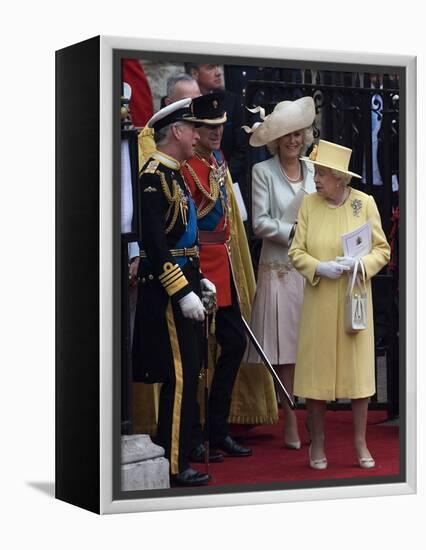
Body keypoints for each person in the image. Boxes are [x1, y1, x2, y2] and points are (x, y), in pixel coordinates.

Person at [288, 139, 390, 469]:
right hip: (320, 300)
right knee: (317, 377)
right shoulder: (308, 205)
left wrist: (360, 265)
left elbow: (382, 250)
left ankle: (360, 443)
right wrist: (320, 267)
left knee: (358, 377)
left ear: (339, 177)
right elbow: (296, 252)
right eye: (315, 172)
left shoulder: (365, 203)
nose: (315, 178)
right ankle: (317, 443)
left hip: (354, 300)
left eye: (321, 173)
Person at [132, 98, 217, 487]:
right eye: (193, 128)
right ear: (178, 132)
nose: (199, 135)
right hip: (168, 294)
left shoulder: (177, 173)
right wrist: (181, 290)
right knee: (179, 376)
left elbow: (183, 237)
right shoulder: (152, 176)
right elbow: (153, 240)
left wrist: (197, 279)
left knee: (192, 370)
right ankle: (173, 463)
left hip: (185, 281)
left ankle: (184, 449)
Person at [181, 92, 254, 460]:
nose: (218, 132)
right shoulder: (186, 165)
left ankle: (218, 426)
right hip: (198, 261)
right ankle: (193, 435)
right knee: (196, 357)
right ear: (195, 129)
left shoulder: (219, 159)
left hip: (222, 262)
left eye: (221, 126)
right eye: (210, 127)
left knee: (234, 343)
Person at [244, 97, 316, 449]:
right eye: (287, 134)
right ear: (276, 139)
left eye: (298, 133)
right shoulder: (263, 172)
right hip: (280, 269)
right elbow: (258, 223)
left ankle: (313, 415)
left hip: (312, 269)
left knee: (311, 346)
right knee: (285, 350)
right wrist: (294, 232)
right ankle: (289, 417)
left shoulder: (316, 170)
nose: (293, 140)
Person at [184, 63, 248, 193]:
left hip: (228, 178)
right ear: (195, 73)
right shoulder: (183, 103)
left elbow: (242, 147)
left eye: (218, 66)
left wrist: (222, 177)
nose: (218, 72)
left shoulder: (231, 100)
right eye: (210, 67)